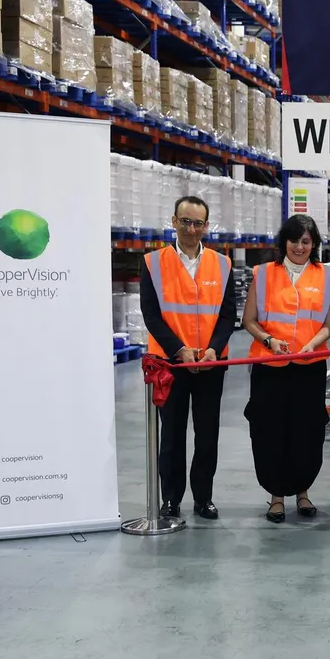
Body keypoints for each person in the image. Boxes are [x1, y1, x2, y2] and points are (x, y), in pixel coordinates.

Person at [140, 196, 235, 521]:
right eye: (185, 222)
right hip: (170, 364)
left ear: (206, 226)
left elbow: (227, 315)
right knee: (172, 435)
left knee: (207, 435)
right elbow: (151, 315)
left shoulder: (223, 264)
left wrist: (213, 349)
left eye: (198, 223)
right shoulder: (153, 263)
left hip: (211, 363)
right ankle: (171, 499)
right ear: (174, 221)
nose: (192, 229)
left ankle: (203, 498)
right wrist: (178, 349)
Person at [242, 215, 330, 524]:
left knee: (307, 430)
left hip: (309, 367)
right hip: (270, 368)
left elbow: (328, 325)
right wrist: (268, 340)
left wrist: (312, 344)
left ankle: (303, 492)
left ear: (314, 244)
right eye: (294, 240)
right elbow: (249, 320)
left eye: (306, 241)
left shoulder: (326, 277)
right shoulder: (264, 274)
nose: (299, 246)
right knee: (270, 430)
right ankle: (276, 497)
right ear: (284, 242)